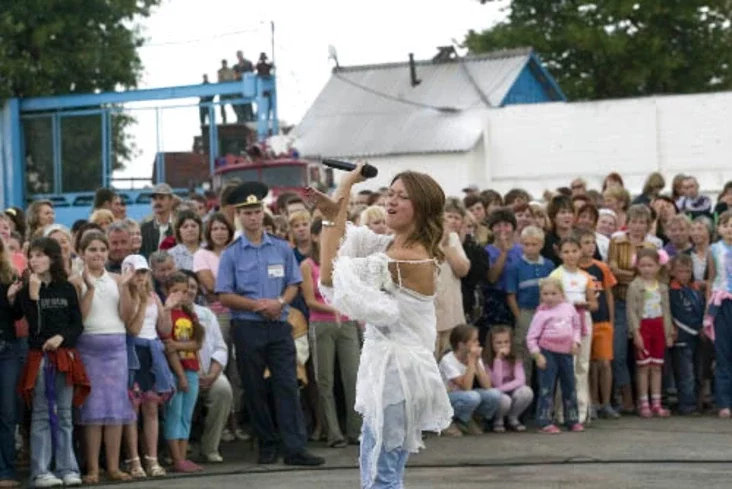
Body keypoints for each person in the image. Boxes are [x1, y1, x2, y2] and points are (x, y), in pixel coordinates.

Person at [309, 165, 453, 488]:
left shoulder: (405, 257)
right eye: (390, 192)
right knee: (378, 472)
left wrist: (343, 190)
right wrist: (337, 208)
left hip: (398, 376)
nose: (391, 201)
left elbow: (332, 276)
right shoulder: (389, 246)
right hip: (391, 372)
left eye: (403, 197)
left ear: (422, 208)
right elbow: (344, 239)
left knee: (380, 476)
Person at [216, 181, 323, 467]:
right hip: (248, 326)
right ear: (239, 215)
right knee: (254, 388)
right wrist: (257, 306)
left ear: (264, 213)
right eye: (247, 213)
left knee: (287, 384)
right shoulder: (231, 253)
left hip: (278, 323)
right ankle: (266, 444)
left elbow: (293, 284)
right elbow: (224, 294)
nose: (253, 217)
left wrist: (279, 303)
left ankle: (295, 447)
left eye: (256, 211)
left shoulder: (281, 248)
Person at [10, 238, 89, 488]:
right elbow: (36, 327)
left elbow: (77, 325)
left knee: (65, 414)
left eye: (40, 255)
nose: (34, 260)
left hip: (65, 356)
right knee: (42, 414)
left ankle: (67, 467)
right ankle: (40, 470)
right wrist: (32, 297)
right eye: (31, 255)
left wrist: (62, 337)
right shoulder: (26, 290)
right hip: (39, 357)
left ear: (53, 258)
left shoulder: (66, 288)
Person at [75, 232, 137, 483]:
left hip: (116, 348)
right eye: (92, 249)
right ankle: (92, 468)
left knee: (115, 408)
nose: (98, 253)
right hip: (89, 347)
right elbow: (80, 317)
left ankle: (112, 467)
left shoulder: (118, 279)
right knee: (93, 409)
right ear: (82, 253)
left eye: (102, 249)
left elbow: (127, 316)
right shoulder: (75, 281)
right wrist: (89, 288)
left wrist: (124, 287)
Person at [300, 218, 361, 448]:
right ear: (315, 237)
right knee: (324, 379)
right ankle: (334, 433)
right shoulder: (308, 265)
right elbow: (309, 300)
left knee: (353, 378)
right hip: (321, 324)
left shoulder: (345, 261)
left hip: (346, 323)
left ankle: (355, 431)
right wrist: (334, 308)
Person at [121, 254, 175, 479]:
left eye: (143, 272)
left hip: (152, 353)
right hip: (134, 353)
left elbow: (163, 328)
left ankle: (152, 459)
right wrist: (142, 302)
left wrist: (168, 307)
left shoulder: (154, 296)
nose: (141, 277)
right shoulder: (126, 296)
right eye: (136, 272)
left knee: (151, 408)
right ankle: (134, 460)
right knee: (132, 409)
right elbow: (132, 329)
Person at [549, 236, 598, 425]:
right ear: (560, 254)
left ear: (580, 252)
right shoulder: (556, 275)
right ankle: (562, 412)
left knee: (582, 366)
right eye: (566, 251)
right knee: (567, 365)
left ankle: (581, 412)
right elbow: (548, 301)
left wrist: (585, 305)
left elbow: (594, 303)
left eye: (574, 251)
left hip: (583, 319)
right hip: (563, 322)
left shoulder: (585, 277)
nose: (570, 255)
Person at [526, 278, 583, 433]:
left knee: (569, 386)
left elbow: (577, 327)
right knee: (547, 388)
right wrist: (537, 355)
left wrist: (576, 342)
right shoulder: (541, 314)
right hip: (548, 353)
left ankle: (572, 419)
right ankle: (544, 421)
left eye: (553, 293)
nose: (549, 297)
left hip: (566, 354)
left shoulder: (569, 308)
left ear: (561, 294)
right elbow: (531, 337)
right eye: (545, 294)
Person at [162, 272, 205, 473]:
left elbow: (197, 343)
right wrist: (179, 375)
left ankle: (183, 456)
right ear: (166, 292)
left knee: (186, 415)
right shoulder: (166, 315)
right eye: (175, 291)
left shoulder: (190, 314)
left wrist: (179, 345)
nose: (180, 295)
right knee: (174, 413)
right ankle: (176, 457)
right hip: (174, 371)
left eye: (184, 291)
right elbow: (167, 348)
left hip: (192, 369)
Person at [505, 225, 555, 389]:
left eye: (534, 244)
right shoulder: (515, 266)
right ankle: (524, 393)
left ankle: (544, 396)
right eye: (526, 244)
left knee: (545, 352)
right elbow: (511, 295)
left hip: (546, 312)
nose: (530, 248)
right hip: (525, 312)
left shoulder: (548, 265)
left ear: (541, 245)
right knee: (524, 352)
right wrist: (519, 316)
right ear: (521, 244)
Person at [577, 229, 619, 420]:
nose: (590, 247)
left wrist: (611, 319)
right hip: (584, 321)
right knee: (590, 364)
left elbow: (609, 294)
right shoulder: (575, 270)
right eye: (585, 242)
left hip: (602, 321)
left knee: (604, 362)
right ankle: (592, 402)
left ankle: (606, 402)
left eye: (592, 243)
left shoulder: (601, 267)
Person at [626, 248, 673, 418]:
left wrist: (668, 333)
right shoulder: (634, 286)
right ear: (637, 266)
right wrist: (635, 333)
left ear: (658, 267)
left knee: (657, 367)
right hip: (643, 327)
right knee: (643, 367)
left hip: (658, 327)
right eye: (643, 265)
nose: (647, 269)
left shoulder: (662, 287)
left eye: (650, 265)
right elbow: (631, 311)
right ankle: (643, 402)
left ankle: (656, 402)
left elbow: (666, 310)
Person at [438, 325, 502, 436]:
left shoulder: (474, 357)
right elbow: (466, 387)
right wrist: (472, 361)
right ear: (461, 345)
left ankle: (473, 420)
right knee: (472, 396)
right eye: (474, 340)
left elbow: (487, 386)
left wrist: (477, 362)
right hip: (446, 399)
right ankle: (450, 421)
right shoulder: (448, 360)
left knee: (495, 394)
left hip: (464, 397)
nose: (478, 343)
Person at [0, 237, 24, 488]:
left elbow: (17, 316)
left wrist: (12, 299)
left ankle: (6, 469)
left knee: (8, 412)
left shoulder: (8, 274)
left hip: (7, 347)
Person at [668, 254, 704, 415]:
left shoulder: (694, 289)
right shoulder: (673, 291)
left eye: (688, 271)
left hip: (697, 336)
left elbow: (700, 309)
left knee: (698, 371)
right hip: (683, 336)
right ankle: (686, 404)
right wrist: (695, 328)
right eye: (680, 271)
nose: (684, 275)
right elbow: (678, 315)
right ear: (673, 272)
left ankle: (697, 401)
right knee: (685, 372)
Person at [704, 210, 732, 418]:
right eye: (726, 225)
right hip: (721, 303)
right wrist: (708, 308)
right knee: (723, 353)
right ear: (719, 228)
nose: (730, 229)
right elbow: (712, 278)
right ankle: (724, 402)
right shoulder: (713, 249)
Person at [486, 326, 533, 432]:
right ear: (492, 344)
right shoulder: (487, 361)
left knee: (526, 391)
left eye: (506, 342)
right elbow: (496, 383)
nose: (503, 345)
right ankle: (498, 420)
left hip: (508, 390)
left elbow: (520, 380)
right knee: (504, 400)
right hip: (497, 395)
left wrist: (501, 389)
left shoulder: (515, 358)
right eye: (499, 343)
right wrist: (498, 360)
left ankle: (513, 418)